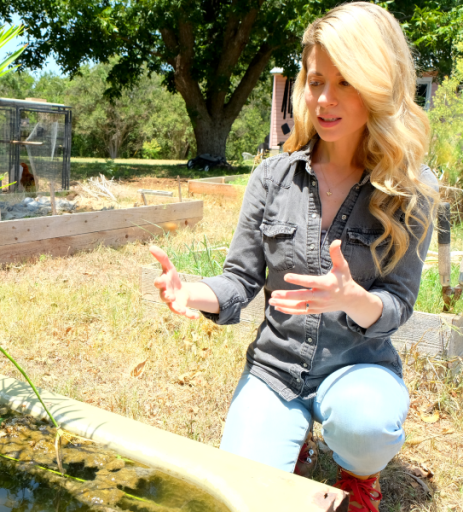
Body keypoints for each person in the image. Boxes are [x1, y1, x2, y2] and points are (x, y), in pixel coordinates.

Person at [150, 4, 437, 511]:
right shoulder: (272, 178)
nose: (325, 99)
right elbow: (239, 279)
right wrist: (191, 292)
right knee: (242, 495)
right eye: (315, 79)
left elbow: (398, 304)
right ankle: (291, 435)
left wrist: (351, 299)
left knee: (366, 426)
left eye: (346, 82)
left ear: (379, 84)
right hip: (277, 370)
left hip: (360, 369)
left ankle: (358, 472)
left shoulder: (410, 189)